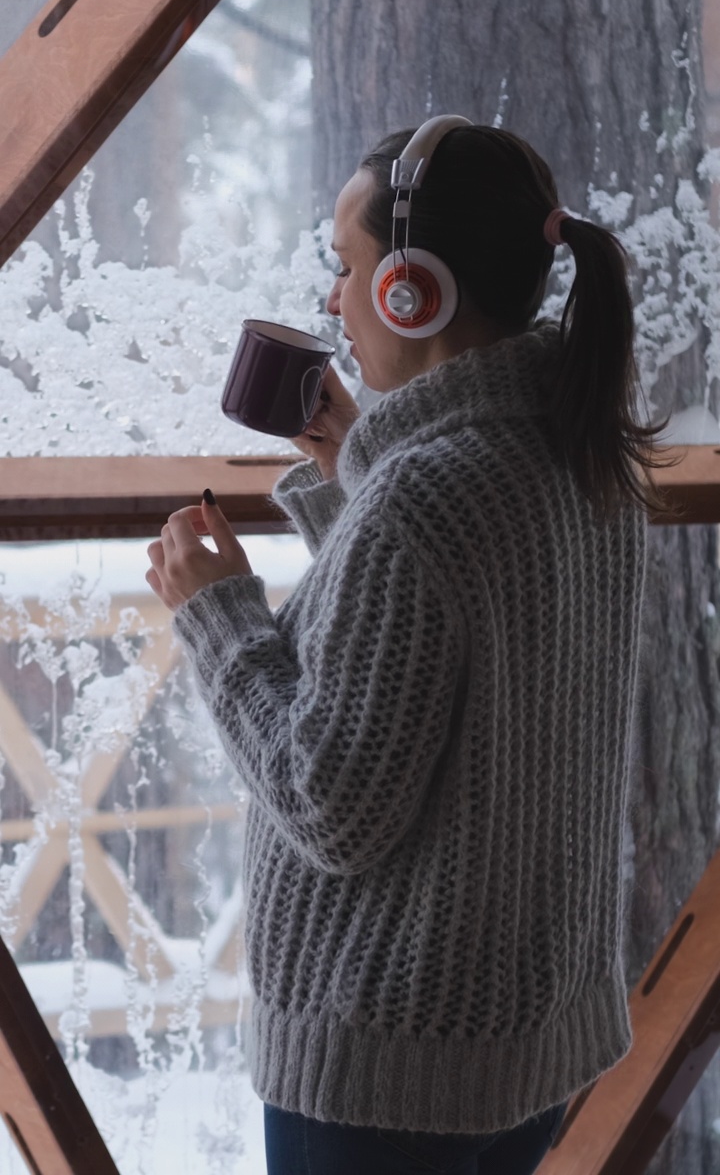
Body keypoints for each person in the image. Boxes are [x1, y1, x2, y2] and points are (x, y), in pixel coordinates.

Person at [146, 116, 658, 1175]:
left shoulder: (425, 498)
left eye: (346, 265)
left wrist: (219, 611)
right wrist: (356, 480)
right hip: (518, 1049)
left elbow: (331, 797)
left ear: (411, 290)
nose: (333, 298)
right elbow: (453, 664)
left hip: (386, 1063)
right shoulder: (578, 455)